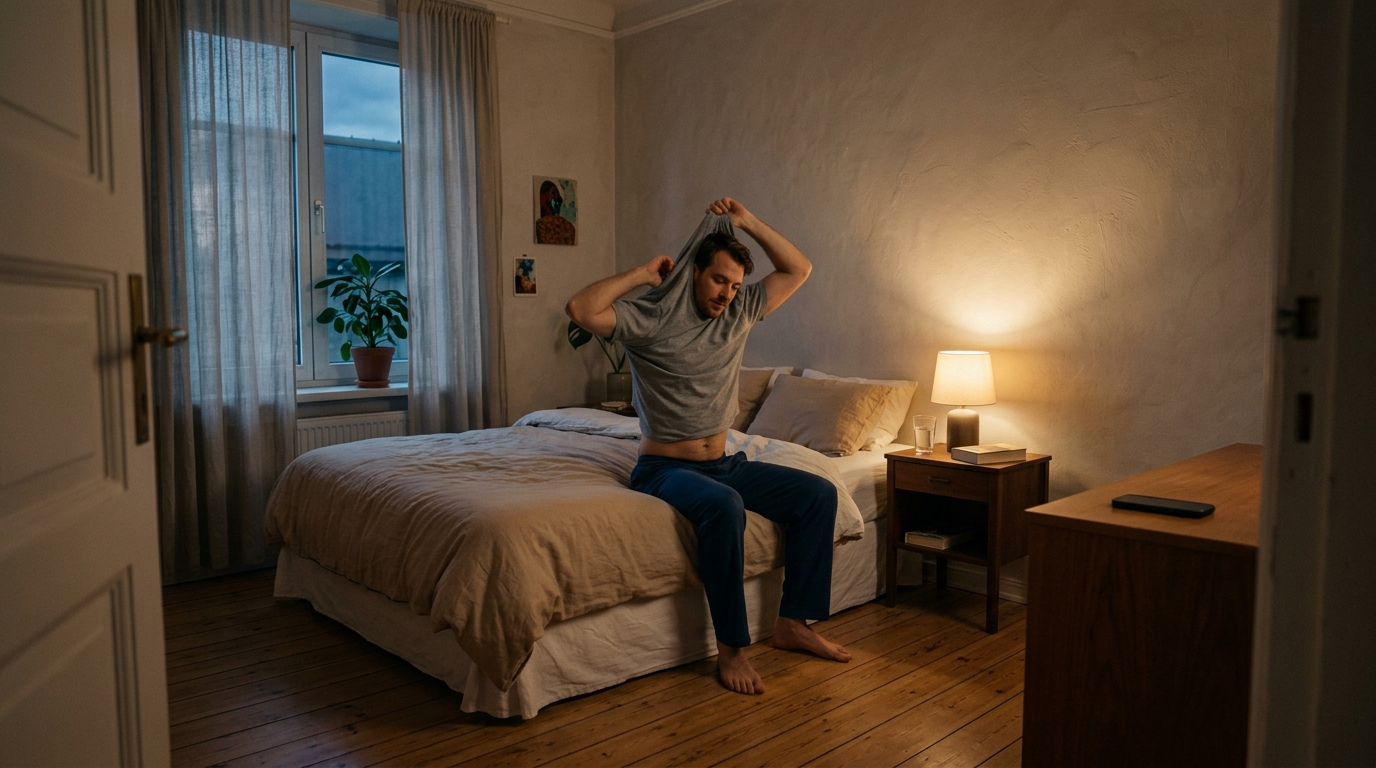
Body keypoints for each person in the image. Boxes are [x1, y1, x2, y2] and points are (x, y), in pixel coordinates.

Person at [565, 198, 851, 695]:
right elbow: (580, 309)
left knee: (819, 493)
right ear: (695, 271)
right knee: (725, 506)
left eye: (736, 285)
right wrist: (642, 272)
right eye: (720, 280)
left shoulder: (739, 313)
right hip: (662, 468)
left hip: (724, 462)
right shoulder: (649, 320)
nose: (727, 293)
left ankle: (794, 624)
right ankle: (733, 649)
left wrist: (749, 222)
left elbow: (798, 268)